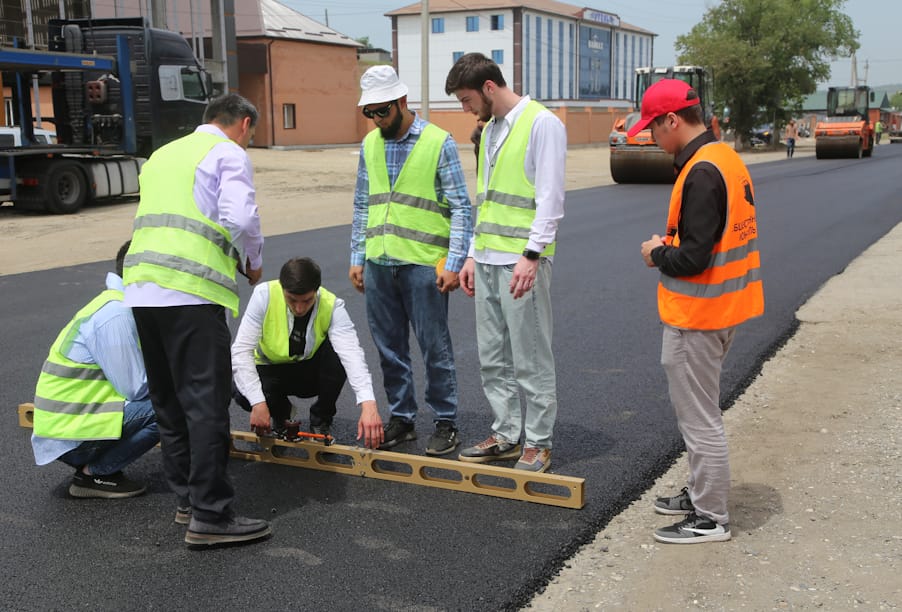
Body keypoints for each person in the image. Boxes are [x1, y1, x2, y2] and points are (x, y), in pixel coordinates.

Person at [122, 93, 270, 548]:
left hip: (142, 289)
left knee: (168, 401)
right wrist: (254, 259)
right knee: (205, 403)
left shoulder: (162, 155)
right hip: (192, 292)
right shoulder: (227, 152)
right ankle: (211, 515)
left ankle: (186, 499)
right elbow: (240, 215)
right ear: (243, 124)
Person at [636, 79, 764, 544]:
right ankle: (700, 492)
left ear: (673, 120)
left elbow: (693, 258)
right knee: (700, 411)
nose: (651, 137)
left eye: (653, 127)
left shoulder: (702, 172)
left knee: (699, 417)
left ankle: (710, 517)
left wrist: (656, 251)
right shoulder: (723, 158)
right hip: (720, 308)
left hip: (699, 316)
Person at [444, 52, 566, 473]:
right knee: (492, 355)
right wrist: (473, 256)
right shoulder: (491, 130)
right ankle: (506, 433)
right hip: (489, 259)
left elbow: (550, 200)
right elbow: (488, 201)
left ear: (489, 88)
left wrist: (531, 256)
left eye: (466, 99)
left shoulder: (542, 124)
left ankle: (539, 442)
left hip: (521, 264)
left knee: (530, 357)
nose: (465, 109)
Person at [349, 65, 473, 456]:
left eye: (382, 111)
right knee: (388, 348)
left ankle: (445, 421)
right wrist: (357, 255)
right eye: (370, 112)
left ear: (403, 101)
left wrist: (454, 262)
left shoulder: (439, 142)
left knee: (433, 346)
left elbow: (461, 208)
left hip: (423, 264)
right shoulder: (370, 144)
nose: (376, 119)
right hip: (379, 262)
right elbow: (362, 204)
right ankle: (402, 419)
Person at [31, 241, 158, 499]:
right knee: (168, 408)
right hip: (70, 433)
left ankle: (96, 466)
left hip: (68, 425)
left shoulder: (114, 304)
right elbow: (135, 388)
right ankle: (96, 473)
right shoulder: (116, 315)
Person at [232, 257, 384, 448]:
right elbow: (241, 350)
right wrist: (257, 402)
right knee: (240, 391)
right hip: (270, 371)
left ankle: (321, 418)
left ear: (317, 291)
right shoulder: (264, 295)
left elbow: (352, 354)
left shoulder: (332, 305)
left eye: (307, 300)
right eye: (292, 300)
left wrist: (368, 404)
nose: (299, 308)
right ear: (282, 288)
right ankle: (280, 414)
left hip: (308, 372)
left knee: (339, 354)